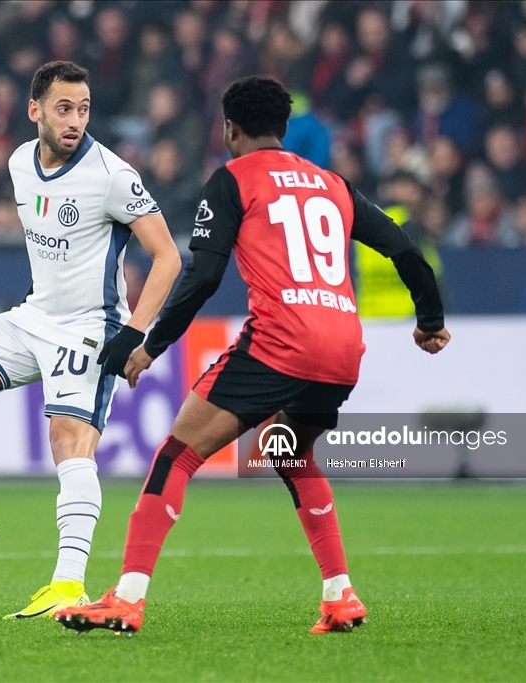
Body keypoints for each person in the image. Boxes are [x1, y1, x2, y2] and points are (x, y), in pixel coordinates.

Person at [55, 76, 449, 636]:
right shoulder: (332, 184)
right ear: (284, 130)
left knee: (176, 456)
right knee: (290, 455)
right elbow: (405, 250)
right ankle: (340, 595)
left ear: (229, 129)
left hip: (281, 343)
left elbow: (205, 273)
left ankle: (127, 597)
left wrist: (151, 344)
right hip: (342, 349)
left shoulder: (233, 179)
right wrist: (430, 322)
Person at [0, 61, 182, 619]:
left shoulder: (111, 175)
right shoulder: (18, 164)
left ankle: (67, 586)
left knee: (67, 443)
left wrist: (132, 333)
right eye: (63, 108)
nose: (75, 120)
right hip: (36, 317)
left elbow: (168, 257)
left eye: (82, 109)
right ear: (35, 111)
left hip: (90, 327)